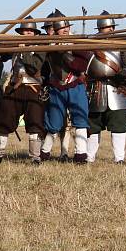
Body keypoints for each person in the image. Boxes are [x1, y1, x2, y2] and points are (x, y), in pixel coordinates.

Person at [86, 11, 126, 164]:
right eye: (107, 27)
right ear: (100, 29)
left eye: (112, 27)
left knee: (118, 125)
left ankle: (119, 158)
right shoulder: (89, 43)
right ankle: (89, 158)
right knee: (93, 126)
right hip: (95, 88)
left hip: (117, 89)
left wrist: (122, 75)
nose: (110, 30)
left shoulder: (122, 42)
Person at [0, 16, 46, 163]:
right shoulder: (15, 45)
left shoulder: (41, 47)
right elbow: (1, 55)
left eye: (30, 31)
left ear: (35, 33)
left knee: (35, 123)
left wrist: (24, 50)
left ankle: (35, 156)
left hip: (33, 88)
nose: (27, 33)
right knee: (4, 119)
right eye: (24, 31)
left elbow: (34, 66)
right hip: (15, 87)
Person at [41, 10, 91, 163]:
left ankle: (81, 155)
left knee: (80, 118)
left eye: (67, 27)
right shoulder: (48, 45)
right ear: (54, 30)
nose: (65, 30)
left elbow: (84, 63)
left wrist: (68, 58)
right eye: (61, 28)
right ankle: (44, 153)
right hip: (56, 87)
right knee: (54, 122)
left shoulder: (77, 43)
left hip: (75, 85)